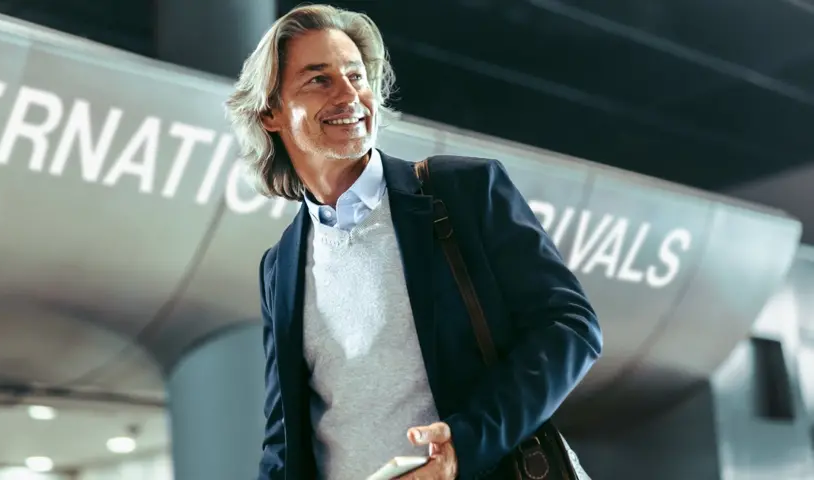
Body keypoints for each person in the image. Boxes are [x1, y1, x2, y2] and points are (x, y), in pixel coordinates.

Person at [226, 4, 602, 479]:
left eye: (356, 76)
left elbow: (571, 325)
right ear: (270, 113)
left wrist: (463, 445)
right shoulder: (279, 266)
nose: (350, 96)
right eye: (319, 80)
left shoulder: (463, 191)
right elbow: (285, 438)